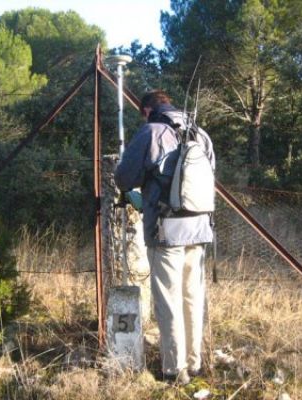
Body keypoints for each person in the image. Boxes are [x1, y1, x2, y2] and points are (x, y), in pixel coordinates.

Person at [114, 90, 215, 384]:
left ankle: (174, 369)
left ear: (146, 110)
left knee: (168, 300)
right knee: (192, 296)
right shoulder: (201, 133)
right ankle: (194, 363)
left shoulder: (151, 132)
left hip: (166, 229)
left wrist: (140, 191)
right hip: (199, 229)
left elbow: (124, 178)